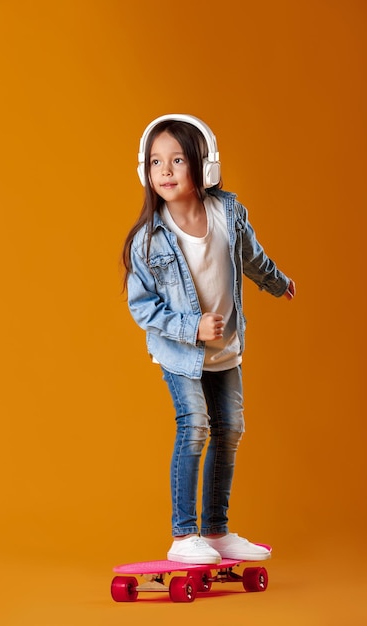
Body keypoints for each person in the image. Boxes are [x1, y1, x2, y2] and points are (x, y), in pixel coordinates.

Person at [122, 114, 295, 565]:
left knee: (231, 430)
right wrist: (190, 327)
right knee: (195, 425)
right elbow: (141, 306)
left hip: (227, 350)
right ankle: (184, 535)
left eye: (177, 160)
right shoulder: (147, 240)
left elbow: (251, 257)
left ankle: (216, 532)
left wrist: (277, 283)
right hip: (182, 355)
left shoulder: (228, 213)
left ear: (206, 165)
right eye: (156, 161)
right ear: (145, 171)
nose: (165, 170)